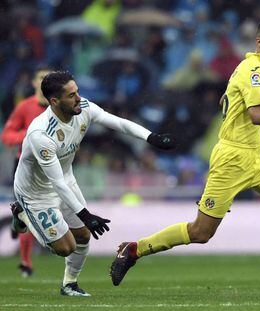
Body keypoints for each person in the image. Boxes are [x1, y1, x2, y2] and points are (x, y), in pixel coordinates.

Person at [110, 15, 260, 297]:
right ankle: (133, 250)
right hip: (232, 160)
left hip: (259, 156)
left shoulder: (255, 68)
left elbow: (234, 98)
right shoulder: (254, 69)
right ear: (259, 42)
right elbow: (256, 115)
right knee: (200, 233)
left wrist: (229, 100)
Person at [11, 70, 177, 296]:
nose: (78, 98)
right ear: (54, 101)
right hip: (35, 193)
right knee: (65, 247)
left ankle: (69, 284)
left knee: (83, 237)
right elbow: (56, 182)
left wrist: (151, 137)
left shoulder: (84, 108)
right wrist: (86, 215)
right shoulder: (41, 134)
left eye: (77, 91)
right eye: (71, 95)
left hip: (65, 179)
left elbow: (118, 123)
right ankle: (22, 213)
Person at [1, 65, 53, 277]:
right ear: (34, 82)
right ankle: (25, 261)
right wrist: (26, 136)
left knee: (40, 213)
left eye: (48, 79)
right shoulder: (24, 107)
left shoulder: (58, 107)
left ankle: (20, 223)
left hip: (51, 167)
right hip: (24, 166)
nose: (43, 82)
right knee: (27, 213)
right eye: (41, 78)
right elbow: (7, 136)